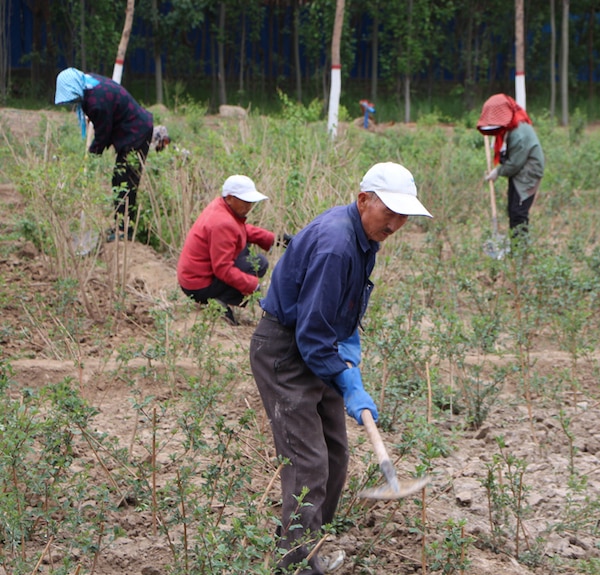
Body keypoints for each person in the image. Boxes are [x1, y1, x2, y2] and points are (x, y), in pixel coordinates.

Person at [249, 162, 432, 574]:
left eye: (405, 215)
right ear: (363, 199)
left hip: (317, 346)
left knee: (335, 453)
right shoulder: (336, 244)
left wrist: (348, 350)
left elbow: (336, 315)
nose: (397, 223)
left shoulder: (364, 237)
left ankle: (312, 538)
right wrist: (346, 380)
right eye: (390, 212)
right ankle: (298, 562)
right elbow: (312, 333)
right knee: (307, 461)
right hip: (286, 353)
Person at [54, 67, 154, 241]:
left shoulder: (96, 102)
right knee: (118, 180)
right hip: (130, 131)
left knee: (125, 181)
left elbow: (103, 135)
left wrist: (91, 158)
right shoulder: (89, 84)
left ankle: (125, 231)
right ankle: (120, 226)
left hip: (136, 133)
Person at [177, 175, 279, 326]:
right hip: (199, 286)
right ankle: (219, 302)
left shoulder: (220, 207)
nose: (249, 207)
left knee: (248, 254)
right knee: (258, 264)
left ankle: (219, 298)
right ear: (230, 198)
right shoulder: (222, 222)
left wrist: (275, 239)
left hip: (191, 279)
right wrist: (253, 286)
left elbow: (240, 230)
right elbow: (222, 268)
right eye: (245, 202)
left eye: (251, 202)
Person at [476, 93, 545, 240]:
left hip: (528, 173)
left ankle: (519, 251)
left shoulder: (518, 134)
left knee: (518, 212)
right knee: (512, 210)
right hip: (519, 171)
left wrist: (498, 171)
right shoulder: (511, 128)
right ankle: (515, 248)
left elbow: (515, 163)